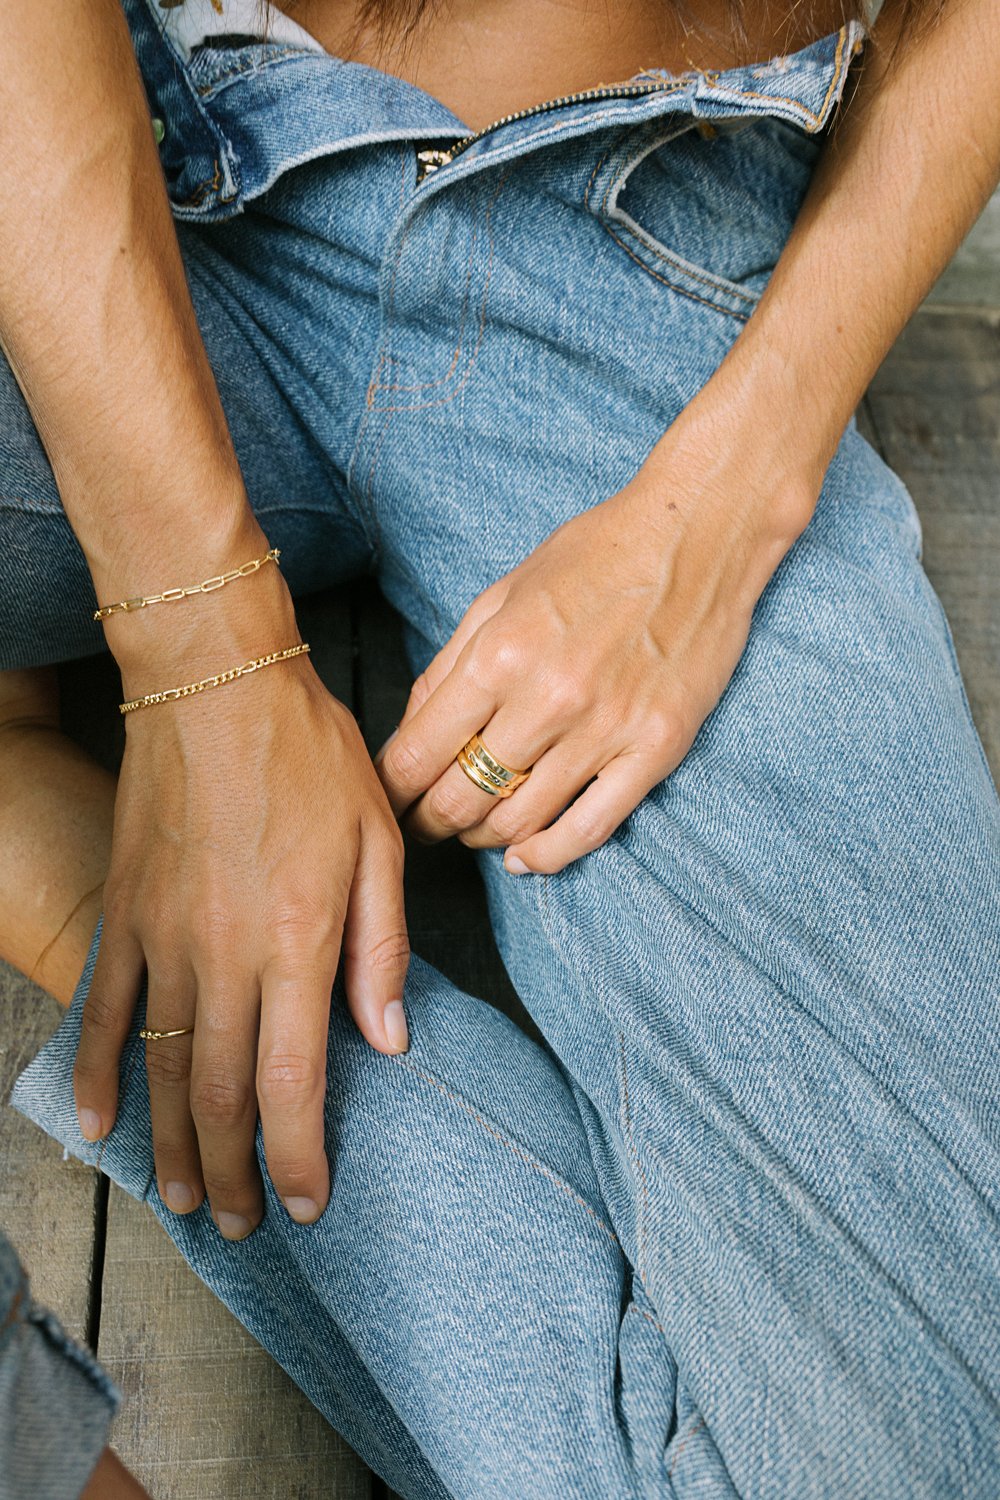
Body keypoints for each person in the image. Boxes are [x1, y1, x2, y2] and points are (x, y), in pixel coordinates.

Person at [1, 0, 998, 1494]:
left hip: (628, 246)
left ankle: (62, 871)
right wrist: (203, 652)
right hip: (98, 183)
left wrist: (725, 505)